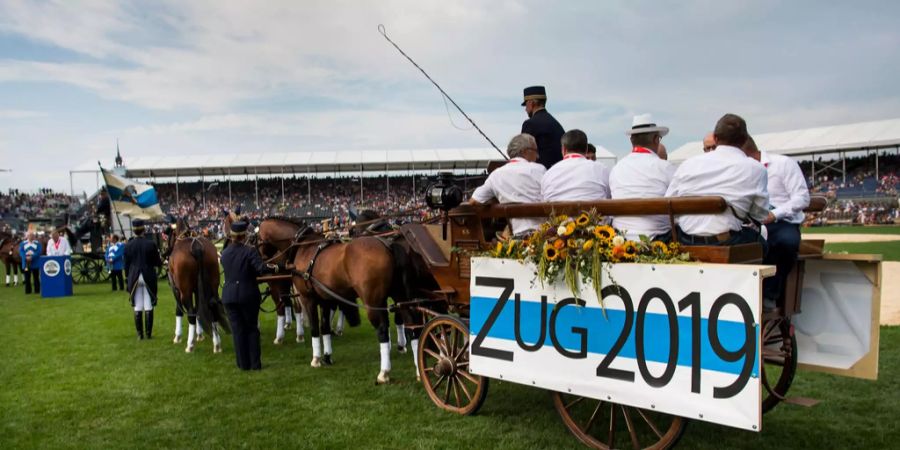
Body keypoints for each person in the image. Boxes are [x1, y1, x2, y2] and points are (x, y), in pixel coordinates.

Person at [665, 114, 769, 246]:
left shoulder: (688, 164)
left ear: (715, 138)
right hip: (727, 241)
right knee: (763, 246)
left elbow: (669, 202)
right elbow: (759, 215)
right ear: (744, 140)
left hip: (685, 240)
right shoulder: (756, 169)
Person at [742, 136, 810, 308]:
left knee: (786, 242)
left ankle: (769, 295)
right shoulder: (740, 170)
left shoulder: (783, 164)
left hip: (781, 222)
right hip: (753, 222)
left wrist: (775, 214)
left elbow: (802, 198)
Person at [609, 114, 676, 241]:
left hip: (621, 240)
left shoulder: (616, 169)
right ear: (656, 139)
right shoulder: (666, 167)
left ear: (631, 141)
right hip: (659, 239)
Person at [220, 220, 276, 370]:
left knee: (238, 331)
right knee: (251, 329)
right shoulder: (249, 251)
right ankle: (255, 364)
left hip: (229, 295)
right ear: (244, 235)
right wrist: (277, 267)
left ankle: (243, 364)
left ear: (232, 236)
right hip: (247, 294)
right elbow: (260, 269)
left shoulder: (224, 254)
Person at [469, 133, 546, 236]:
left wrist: (496, 199)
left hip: (516, 236)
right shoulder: (539, 170)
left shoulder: (496, 175)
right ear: (525, 151)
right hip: (544, 234)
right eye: (535, 151)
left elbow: (474, 202)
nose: (537, 156)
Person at [541, 129, 611, 202]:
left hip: (557, 213)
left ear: (563, 149)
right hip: (593, 212)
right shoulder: (601, 169)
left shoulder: (548, 174)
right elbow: (609, 196)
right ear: (586, 149)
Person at [124, 219, 162, 339]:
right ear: (144, 230)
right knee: (148, 305)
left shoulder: (128, 245)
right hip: (148, 275)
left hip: (134, 276)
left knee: (138, 306)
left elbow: (126, 265)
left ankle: (140, 335)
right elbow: (157, 262)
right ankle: (148, 334)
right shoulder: (151, 244)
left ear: (134, 231)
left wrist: (127, 278)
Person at [521, 86, 565, 169]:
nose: (525, 109)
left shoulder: (530, 124)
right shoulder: (556, 124)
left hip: (540, 175)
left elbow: (523, 154)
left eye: (526, 105)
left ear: (531, 103)